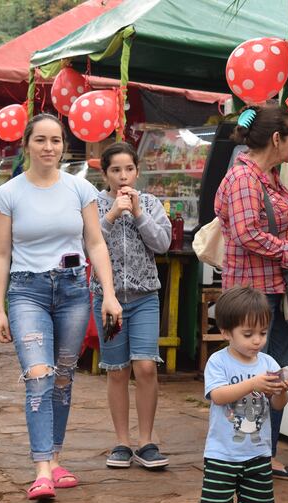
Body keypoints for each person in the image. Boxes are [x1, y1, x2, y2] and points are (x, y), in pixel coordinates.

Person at [0, 113, 122, 501]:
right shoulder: (7, 194)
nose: (49, 148)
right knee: (38, 375)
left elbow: (95, 243)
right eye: (41, 140)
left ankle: (56, 459)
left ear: (64, 146)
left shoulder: (80, 190)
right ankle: (42, 468)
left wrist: (108, 293)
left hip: (74, 290)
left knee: (63, 378)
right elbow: (0, 254)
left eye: (57, 140)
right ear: (26, 144)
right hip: (26, 291)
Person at [214, 104, 288, 481]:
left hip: (276, 289)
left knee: (275, 374)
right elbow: (247, 233)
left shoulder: (269, 177)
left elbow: (275, 227)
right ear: (276, 139)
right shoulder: (245, 178)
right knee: (250, 376)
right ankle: (243, 455)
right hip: (253, 294)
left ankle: (265, 454)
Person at [92, 142, 171, 470]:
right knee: (118, 371)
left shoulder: (150, 203)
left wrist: (137, 212)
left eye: (128, 169)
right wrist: (113, 213)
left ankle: (146, 441)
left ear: (137, 171)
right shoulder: (94, 204)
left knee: (146, 367)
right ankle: (122, 442)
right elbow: (89, 244)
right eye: (115, 170)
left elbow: (163, 244)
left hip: (144, 298)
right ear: (105, 173)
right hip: (107, 300)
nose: (123, 176)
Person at [199, 286, 288, 503]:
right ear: (226, 332)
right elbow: (218, 396)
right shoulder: (218, 361)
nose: (257, 341)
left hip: (258, 454)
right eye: (248, 334)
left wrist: (282, 390)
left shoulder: (269, 363)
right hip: (222, 454)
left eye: (263, 333)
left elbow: (277, 405)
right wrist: (253, 384)